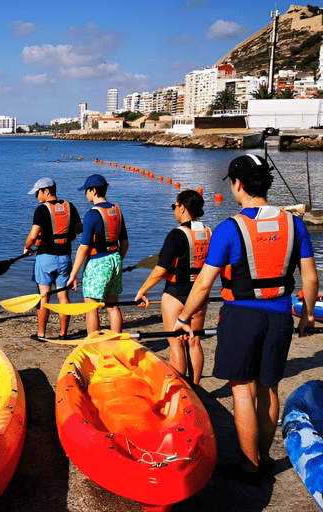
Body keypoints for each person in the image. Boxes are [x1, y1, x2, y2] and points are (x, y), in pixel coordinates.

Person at [175, 154, 318, 484]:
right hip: (281, 316)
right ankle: (264, 457)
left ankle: (250, 465)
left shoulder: (229, 229)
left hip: (240, 316)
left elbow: (204, 283)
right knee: (269, 388)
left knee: (242, 391)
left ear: (237, 185)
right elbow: (310, 279)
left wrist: (184, 317)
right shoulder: (295, 224)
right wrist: (307, 316)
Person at [134, 190, 211, 386]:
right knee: (194, 342)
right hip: (199, 295)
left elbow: (160, 271)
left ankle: (180, 389)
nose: (174, 211)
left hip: (176, 295)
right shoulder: (209, 232)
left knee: (175, 343)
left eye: (174, 207)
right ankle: (195, 388)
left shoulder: (176, 235)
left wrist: (142, 292)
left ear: (182, 207)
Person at [66, 174, 129, 334]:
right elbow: (125, 243)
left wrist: (73, 275)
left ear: (93, 191)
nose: (85, 194)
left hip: (97, 263)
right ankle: (116, 343)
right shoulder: (117, 210)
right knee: (113, 306)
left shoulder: (91, 214)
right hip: (115, 260)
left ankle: (93, 345)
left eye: (86, 190)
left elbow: (83, 248)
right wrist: (117, 261)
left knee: (91, 307)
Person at [23, 178, 82, 340]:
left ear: (46, 191)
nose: (36, 196)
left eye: (37, 192)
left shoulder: (41, 210)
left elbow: (33, 235)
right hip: (65, 259)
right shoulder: (70, 206)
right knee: (63, 297)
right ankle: (63, 333)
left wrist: (27, 247)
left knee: (43, 296)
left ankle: (41, 334)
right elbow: (79, 229)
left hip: (45, 259)